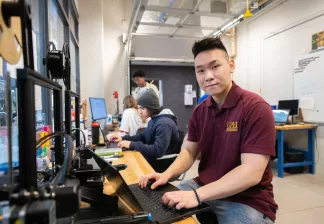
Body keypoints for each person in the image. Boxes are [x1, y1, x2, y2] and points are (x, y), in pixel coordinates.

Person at [138, 37, 278, 224]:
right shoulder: (200, 111)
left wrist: (196, 195)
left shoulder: (256, 108)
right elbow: (189, 151)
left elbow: (251, 171)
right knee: (151, 205)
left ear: (231, 65)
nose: (208, 76)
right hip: (205, 185)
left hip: (246, 199)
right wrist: (166, 174)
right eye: (201, 70)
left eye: (215, 66)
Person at [109, 89, 179, 166]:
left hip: (162, 163)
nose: (139, 111)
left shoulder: (164, 123)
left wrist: (131, 144)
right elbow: (143, 136)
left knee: (125, 164)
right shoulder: (154, 120)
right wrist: (124, 138)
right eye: (138, 108)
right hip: (153, 158)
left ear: (151, 107)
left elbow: (157, 150)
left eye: (142, 108)